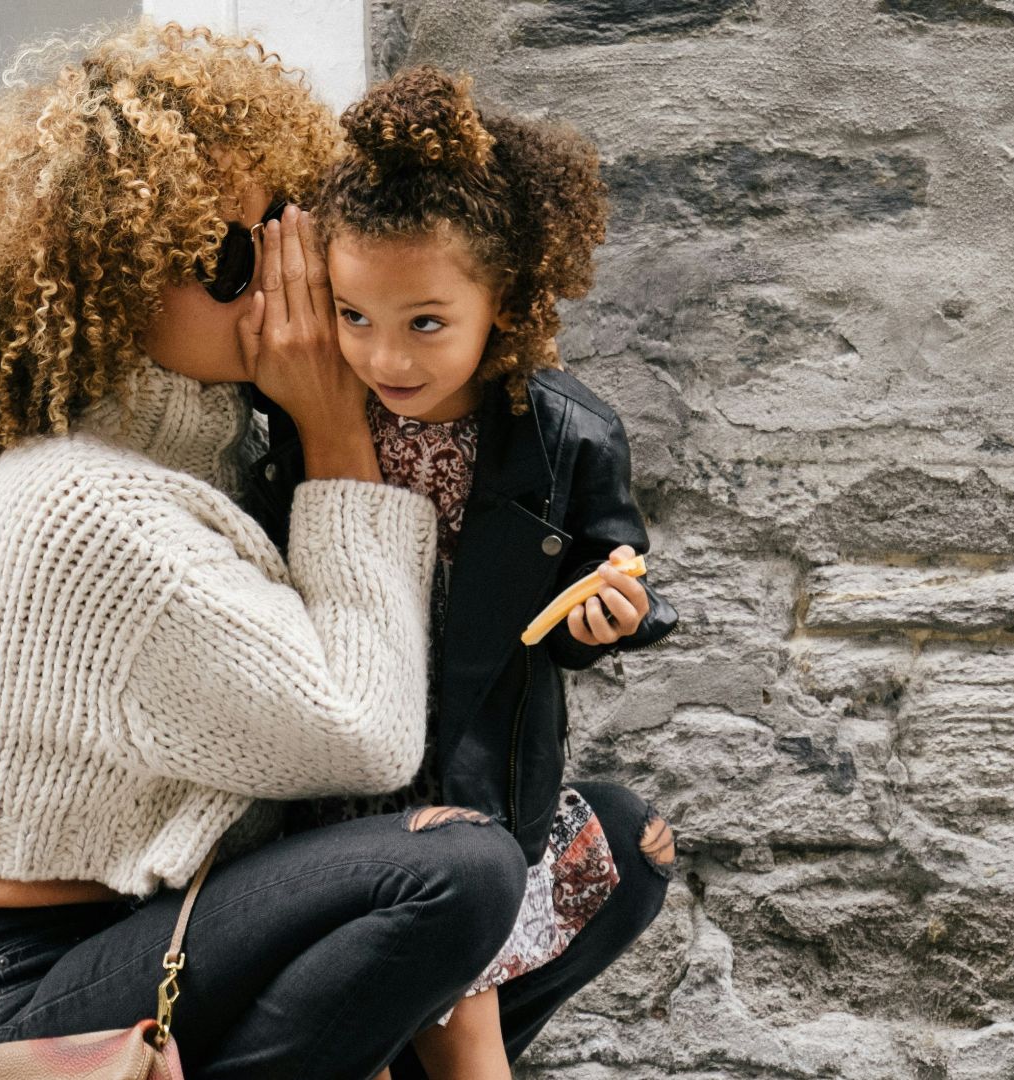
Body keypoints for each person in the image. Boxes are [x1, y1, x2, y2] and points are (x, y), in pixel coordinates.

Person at [0, 22, 530, 1080]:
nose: (276, 283)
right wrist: (336, 428)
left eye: (284, 234)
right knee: (454, 871)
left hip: (173, 935)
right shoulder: (84, 507)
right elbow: (365, 732)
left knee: (603, 843)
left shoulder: (215, 463)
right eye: (229, 259)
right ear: (111, 279)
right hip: (35, 987)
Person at [241, 66, 681, 1079]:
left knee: (520, 905)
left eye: (425, 322)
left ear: (505, 303)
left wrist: (611, 615)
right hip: (337, 760)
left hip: (480, 770)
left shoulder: (567, 437)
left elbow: (605, 568)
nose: (386, 357)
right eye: (353, 316)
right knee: (426, 977)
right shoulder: (303, 416)